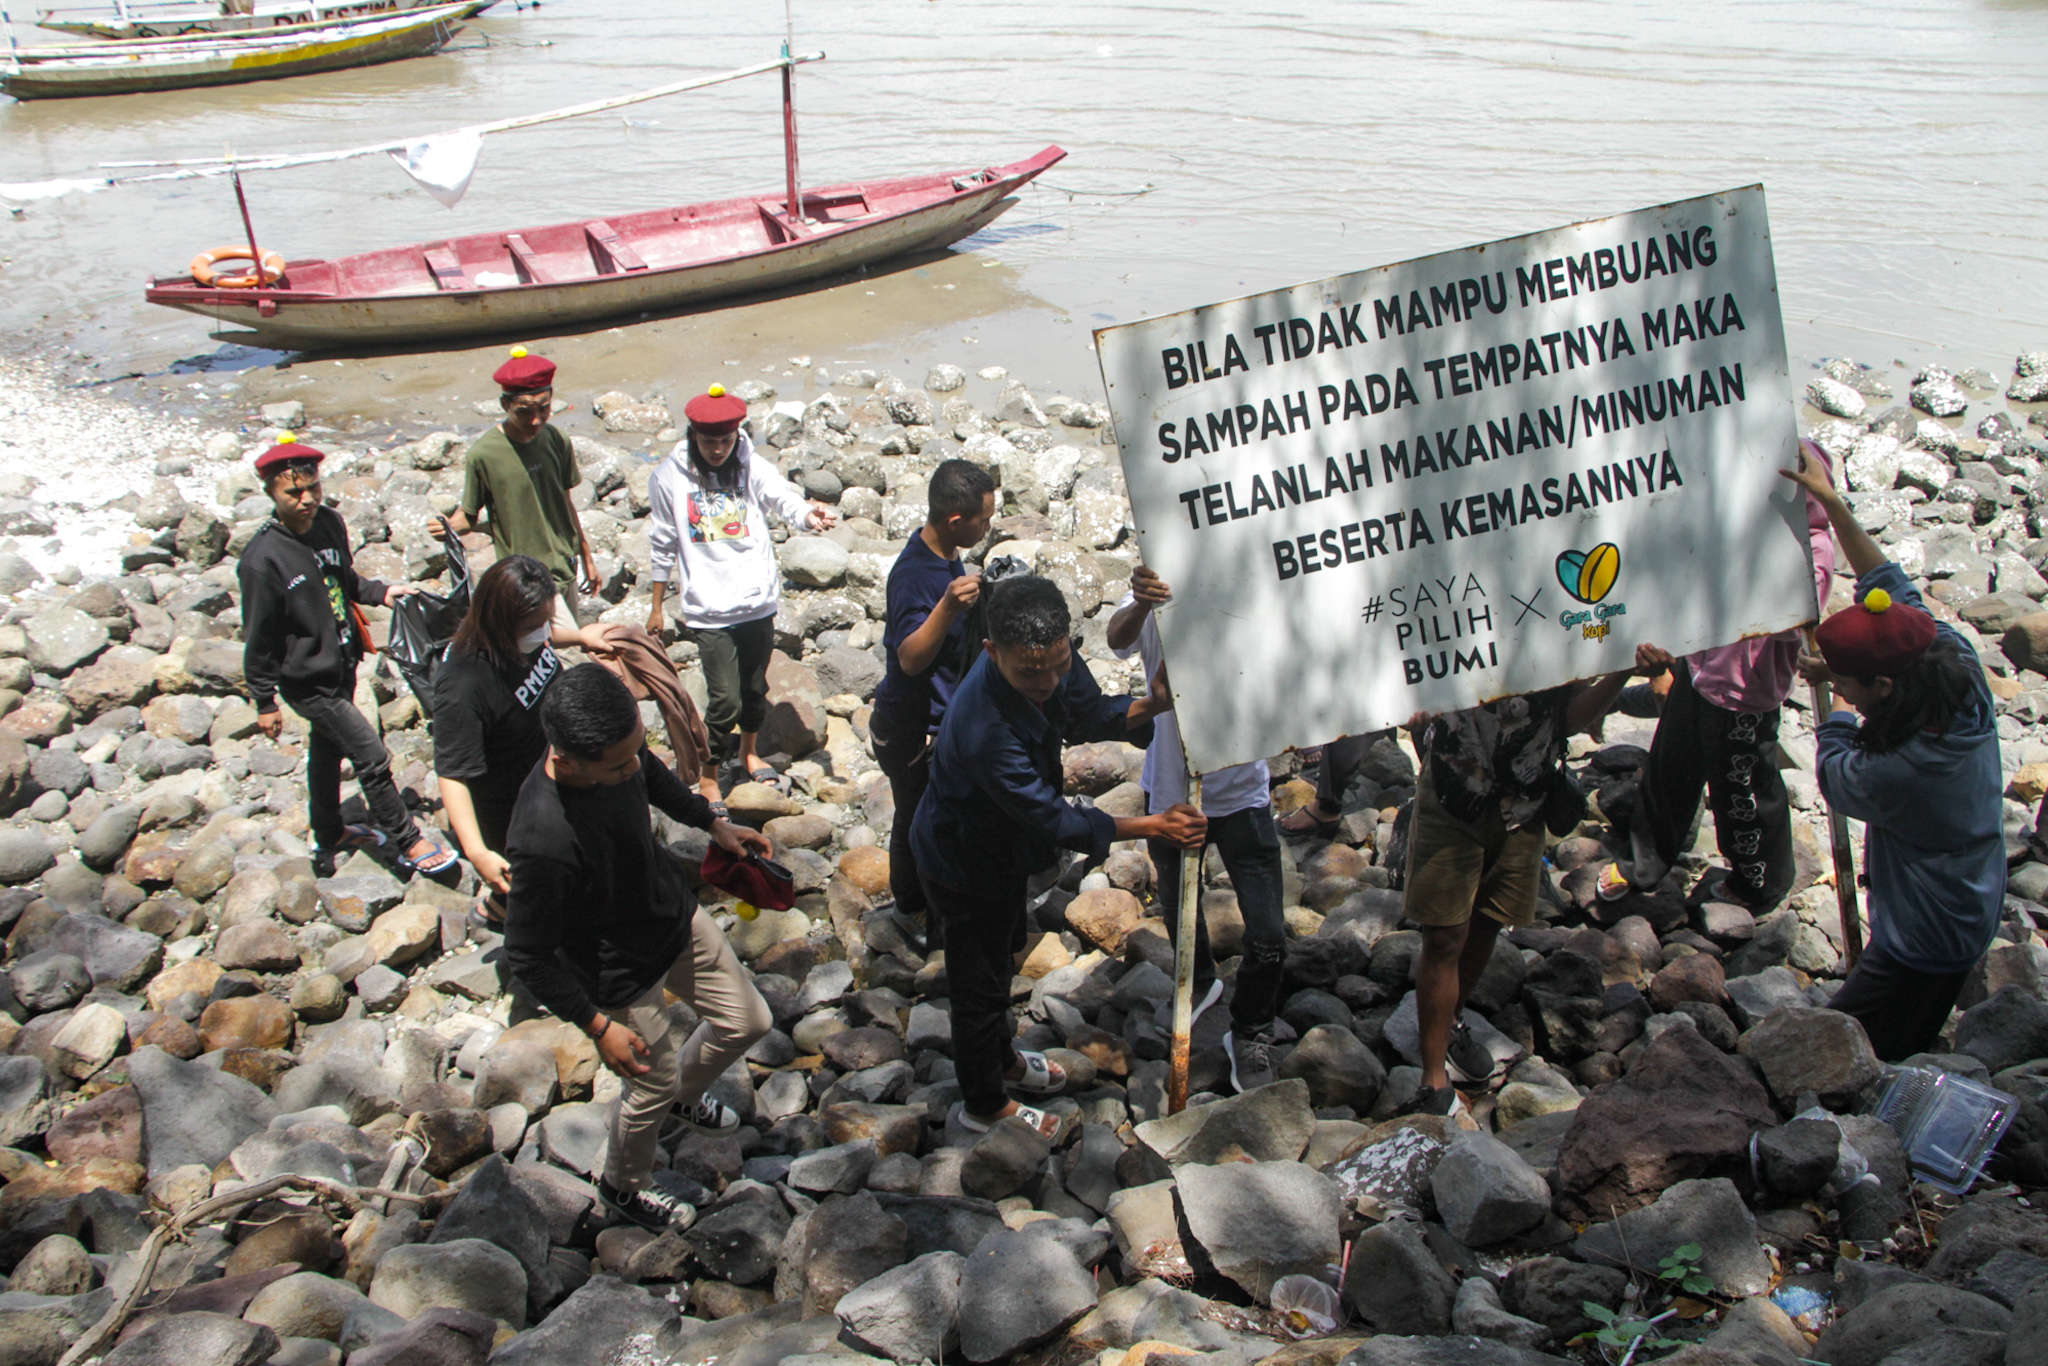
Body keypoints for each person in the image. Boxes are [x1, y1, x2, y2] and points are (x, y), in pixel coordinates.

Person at [912, 574, 1206, 1136]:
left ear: (1066, 640)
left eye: (1059, 663)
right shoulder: (984, 729)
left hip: (1004, 852)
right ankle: (983, 1105)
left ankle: (1002, 1059)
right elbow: (1056, 817)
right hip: (962, 860)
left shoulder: (1047, 661)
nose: (1048, 681)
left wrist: (1154, 703)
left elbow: (1088, 712)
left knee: (1003, 954)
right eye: (1030, 672)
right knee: (979, 986)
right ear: (991, 652)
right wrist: (1154, 825)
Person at [503, 663, 775, 1229]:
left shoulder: (619, 757)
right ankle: (623, 1185)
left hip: (670, 915)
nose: (632, 766)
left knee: (748, 1019)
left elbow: (651, 775)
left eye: (635, 749)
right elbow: (527, 954)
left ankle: (681, 1094)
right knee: (649, 1083)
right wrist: (597, 1027)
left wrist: (713, 823)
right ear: (566, 760)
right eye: (617, 763)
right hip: (616, 968)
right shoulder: (542, 838)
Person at [1787, 450, 2004, 1061]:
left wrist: (1832, 713)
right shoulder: (1951, 660)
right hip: (1971, 890)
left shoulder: (1905, 770)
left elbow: (1836, 776)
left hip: (1929, 933)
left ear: (1883, 689)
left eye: (1852, 682)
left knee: (1854, 1052)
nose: (1843, 689)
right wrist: (1831, 502)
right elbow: (1887, 583)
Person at [1407, 642, 1671, 1117]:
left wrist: (1620, 671)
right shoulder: (1452, 594)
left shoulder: (1550, 610)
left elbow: (1568, 717)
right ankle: (1433, 1077)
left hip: (1523, 801)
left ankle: (1451, 1021)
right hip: (1453, 790)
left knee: (1487, 920)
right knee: (1445, 934)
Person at [1600, 440, 1838, 909]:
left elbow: (1797, 619)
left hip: (1747, 697)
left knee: (1744, 795)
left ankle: (1760, 883)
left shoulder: (1813, 550)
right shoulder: (1730, 528)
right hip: (1700, 670)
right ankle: (1642, 863)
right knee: (1668, 772)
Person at [238, 434, 456, 880]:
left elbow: (344, 580)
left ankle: (329, 830)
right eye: (292, 493)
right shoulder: (262, 561)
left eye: (312, 488)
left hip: (342, 662)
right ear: (271, 495)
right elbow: (259, 635)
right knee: (371, 756)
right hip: (305, 679)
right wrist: (263, 699)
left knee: (326, 751)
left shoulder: (329, 523)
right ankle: (407, 839)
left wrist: (383, 592)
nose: (305, 500)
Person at [1107, 563, 1288, 1094]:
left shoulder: (1259, 582)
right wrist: (1142, 602)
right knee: (1181, 909)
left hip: (1244, 793)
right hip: (1171, 791)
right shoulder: (1157, 587)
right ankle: (1201, 979)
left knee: (1270, 934)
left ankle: (1251, 1029)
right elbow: (1117, 639)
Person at [646, 385, 835, 793]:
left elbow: (781, 498)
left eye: (726, 441)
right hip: (708, 606)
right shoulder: (667, 476)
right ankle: (710, 773)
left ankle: (749, 752)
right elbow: (662, 541)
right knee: (723, 701)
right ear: (693, 436)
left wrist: (807, 515)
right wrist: (658, 605)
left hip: (755, 600)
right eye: (709, 441)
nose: (718, 450)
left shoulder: (750, 464)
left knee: (754, 688)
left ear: (737, 436)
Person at [430, 554, 617, 928]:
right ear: (501, 622)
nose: (543, 632)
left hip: (553, 775)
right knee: (540, 895)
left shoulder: (526, 639)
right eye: (534, 625)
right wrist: (477, 850)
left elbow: (542, 638)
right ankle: (502, 910)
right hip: (512, 807)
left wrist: (581, 636)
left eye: (547, 621)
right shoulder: (464, 684)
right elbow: (452, 772)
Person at [868, 458, 999, 945]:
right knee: (915, 821)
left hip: (936, 725)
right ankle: (909, 911)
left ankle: (934, 901)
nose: (988, 527)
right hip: (907, 729)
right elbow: (909, 657)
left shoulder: (944, 554)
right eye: (983, 520)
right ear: (954, 521)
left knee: (935, 818)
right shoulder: (913, 574)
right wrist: (947, 607)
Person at [432, 347, 599, 637]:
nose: (536, 420)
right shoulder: (483, 455)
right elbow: (468, 516)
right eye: (525, 412)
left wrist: (587, 558)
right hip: (526, 579)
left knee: (564, 650)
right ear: (504, 405)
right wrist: (446, 527)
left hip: (564, 567)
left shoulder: (556, 439)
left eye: (544, 408)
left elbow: (566, 503)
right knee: (567, 648)